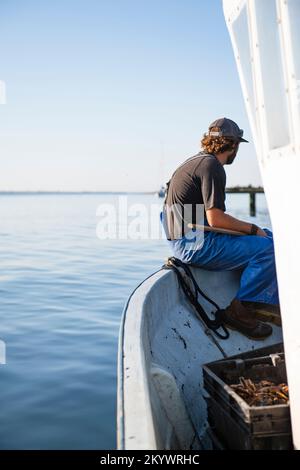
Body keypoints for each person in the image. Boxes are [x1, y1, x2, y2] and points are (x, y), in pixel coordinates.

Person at [162, 117, 280, 340]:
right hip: (194, 244)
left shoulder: (195, 162)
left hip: (186, 237)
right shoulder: (212, 166)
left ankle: (266, 300)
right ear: (233, 144)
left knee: (271, 238)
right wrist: (253, 229)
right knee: (267, 248)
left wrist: (254, 231)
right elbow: (216, 219)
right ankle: (239, 311)